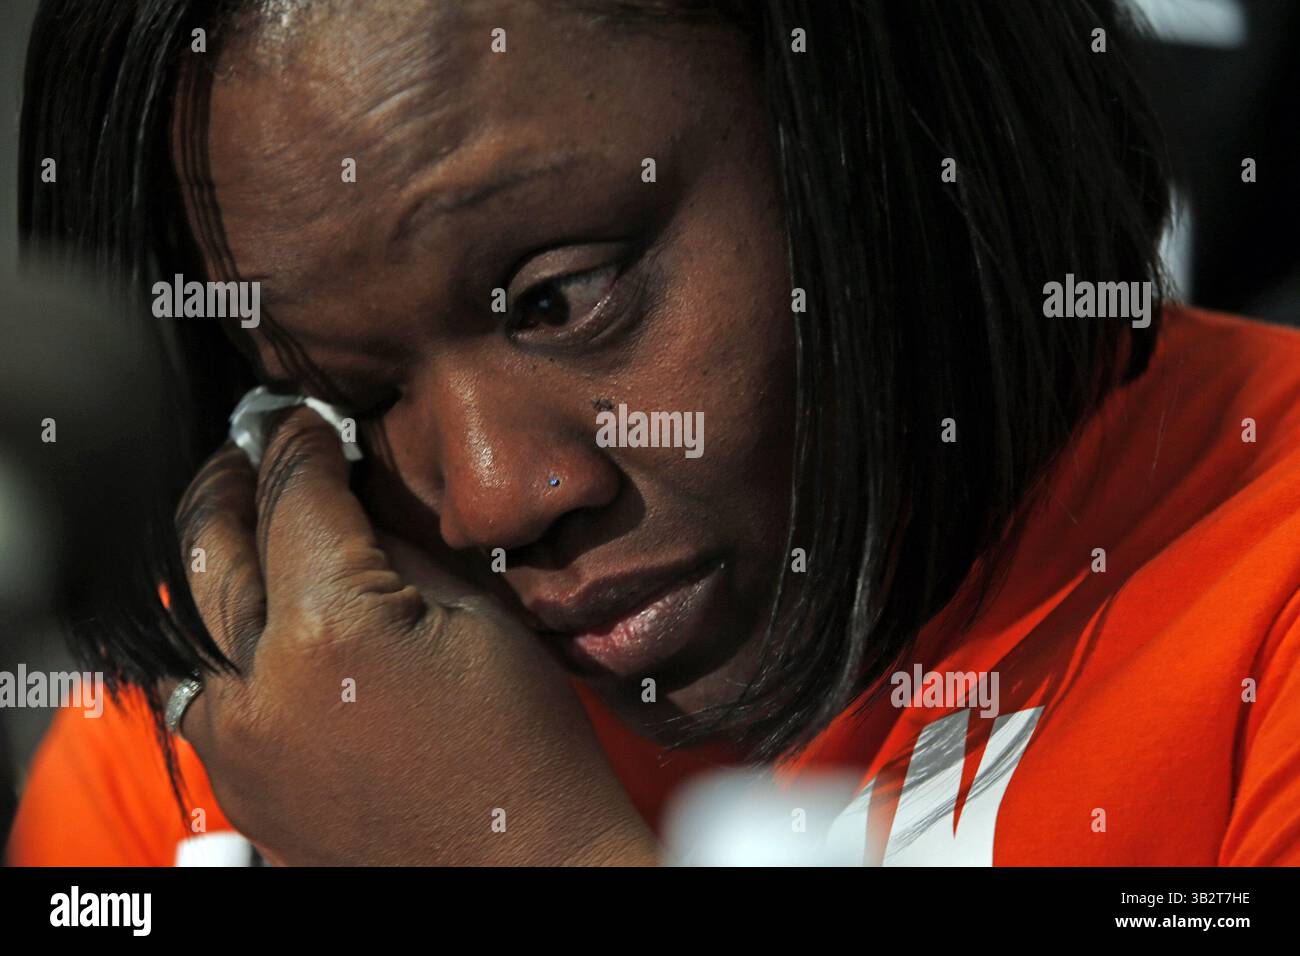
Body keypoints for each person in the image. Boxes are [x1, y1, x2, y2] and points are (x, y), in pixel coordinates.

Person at [8, 0, 1300, 866]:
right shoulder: (249, 721)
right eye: (350, 392)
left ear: (877, 115)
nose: (497, 500)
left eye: (564, 297)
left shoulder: (1264, 585)